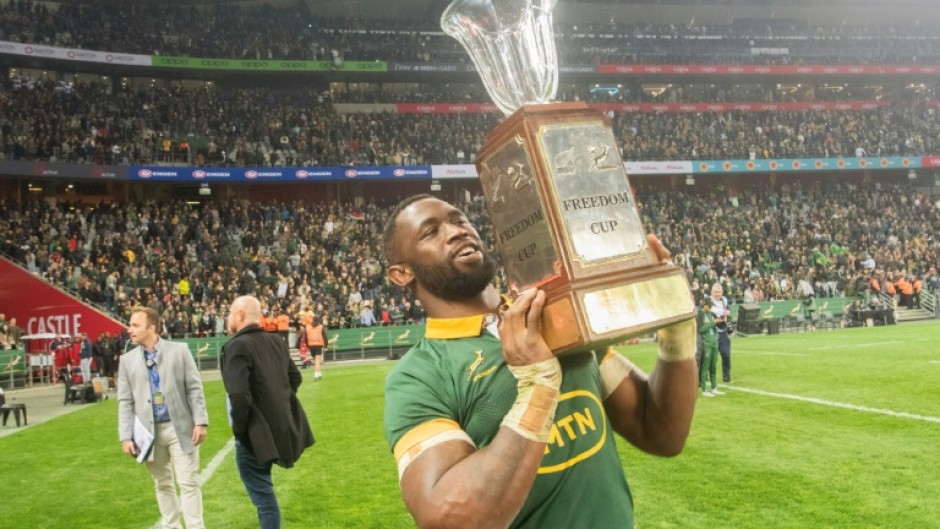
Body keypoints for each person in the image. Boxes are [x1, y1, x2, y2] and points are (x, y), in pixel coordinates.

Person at [381, 195, 696, 529]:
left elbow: (660, 432)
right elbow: (451, 519)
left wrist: (675, 324)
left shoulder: (557, 316)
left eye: (459, 220)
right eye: (431, 232)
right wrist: (537, 386)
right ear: (402, 273)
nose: (457, 231)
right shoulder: (418, 376)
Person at [221, 295, 315, 529]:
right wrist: (276, 403)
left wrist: (240, 430)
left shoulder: (236, 346)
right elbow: (295, 378)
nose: (228, 317)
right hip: (277, 429)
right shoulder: (276, 341)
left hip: (254, 434)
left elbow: (239, 395)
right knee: (265, 496)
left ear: (240, 314)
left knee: (265, 501)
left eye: (230, 313)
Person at [117, 307, 209, 529]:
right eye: (130, 325)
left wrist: (200, 421)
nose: (130, 329)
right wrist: (126, 437)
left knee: (188, 483)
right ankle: (171, 526)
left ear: (152, 327)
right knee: (162, 484)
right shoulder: (127, 361)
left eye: (135, 325)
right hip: (149, 434)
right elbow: (125, 401)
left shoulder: (180, 351)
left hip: (181, 428)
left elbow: (194, 389)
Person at [698, 300, 722, 397]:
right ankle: (704, 390)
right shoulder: (700, 314)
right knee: (705, 367)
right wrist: (713, 323)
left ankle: (714, 388)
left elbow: (715, 325)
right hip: (706, 344)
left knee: (713, 366)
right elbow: (700, 329)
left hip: (714, 343)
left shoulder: (712, 314)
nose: (711, 307)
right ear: (704, 305)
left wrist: (721, 321)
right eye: (709, 306)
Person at [709, 283, 733, 383]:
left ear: (722, 292)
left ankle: (726, 375)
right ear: (712, 292)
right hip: (711, 332)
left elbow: (728, 310)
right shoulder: (708, 301)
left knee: (726, 354)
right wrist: (720, 319)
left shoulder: (724, 300)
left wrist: (728, 313)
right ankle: (704, 376)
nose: (717, 294)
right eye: (715, 292)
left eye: (719, 292)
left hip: (723, 332)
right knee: (709, 357)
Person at [303, 315, 327, 381]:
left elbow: (305, 338)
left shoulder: (308, 327)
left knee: (315, 360)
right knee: (318, 361)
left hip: (311, 345)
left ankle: (319, 374)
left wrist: (308, 346)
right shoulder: (320, 327)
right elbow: (325, 337)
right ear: (318, 320)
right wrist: (326, 346)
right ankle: (316, 375)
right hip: (318, 345)